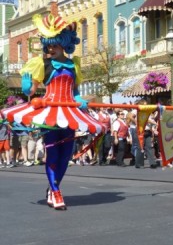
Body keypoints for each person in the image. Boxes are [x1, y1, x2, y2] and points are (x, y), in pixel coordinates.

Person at [1, 13, 105, 210]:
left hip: (69, 113)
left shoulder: (74, 65)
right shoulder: (43, 64)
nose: (51, 49)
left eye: (55, 45)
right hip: (50, 112)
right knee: (53, 154)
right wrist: (27, 87)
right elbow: (32, 91)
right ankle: (55, 191)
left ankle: (53, 188)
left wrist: (80, 100)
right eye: (48, 45)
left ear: (64, 43)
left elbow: (74, 92)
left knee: (65, 155)